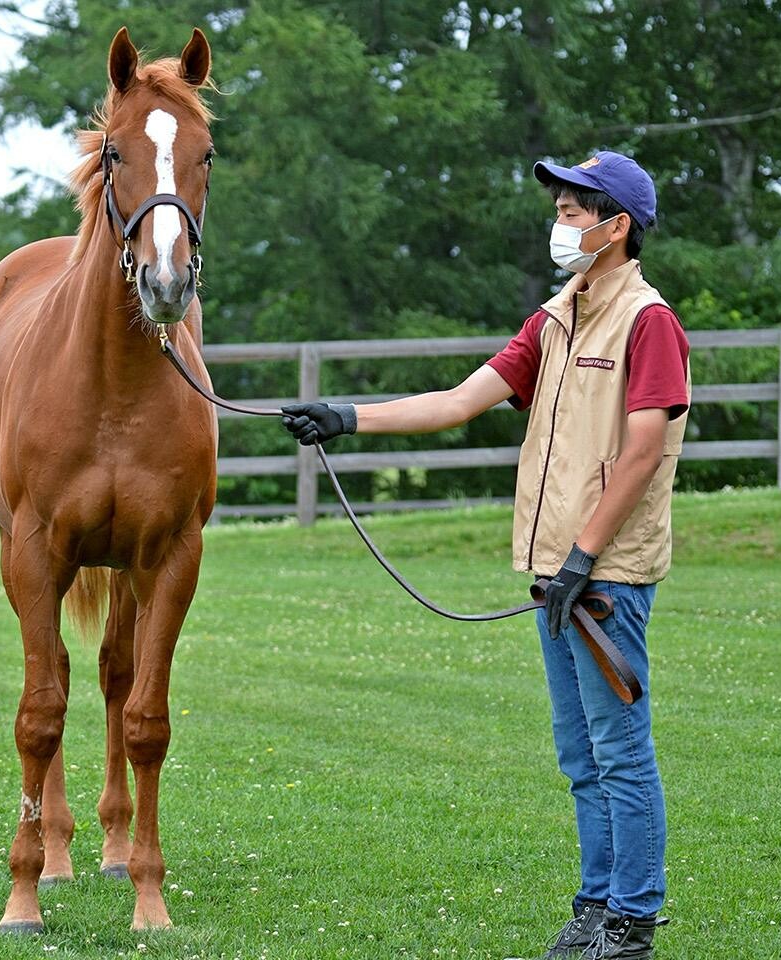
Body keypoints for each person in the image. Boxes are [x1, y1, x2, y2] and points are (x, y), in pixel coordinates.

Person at [283, 151, 689, 960]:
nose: (563, 222)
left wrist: (583, 557)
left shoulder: (648, 321)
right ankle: (595, 906)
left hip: (603, 575)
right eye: (563, 207)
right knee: (581, 757)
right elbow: (461, 401)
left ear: (619, 227)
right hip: (556, 574)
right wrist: (347, 416)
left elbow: (644, 451)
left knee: (621, 753)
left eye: (578, 210)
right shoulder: (553, 319)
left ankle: (632, 924)